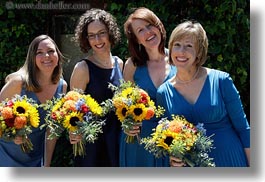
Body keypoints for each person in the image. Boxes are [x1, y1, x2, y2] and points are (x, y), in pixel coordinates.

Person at [156, 20, 250, 167]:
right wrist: (173, 159)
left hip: (230, 159)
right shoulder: (163, 92)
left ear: (199, 52)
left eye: (189, 46)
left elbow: (244, 129)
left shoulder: (221, 80)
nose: (181, 52)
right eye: (177, 45)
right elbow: (167, 138)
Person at [120, 7, 177, 167]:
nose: (148, 32)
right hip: (138, 143)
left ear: (158, 26)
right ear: (137, 39)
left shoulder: (178, 59)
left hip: (172, 141)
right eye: (140, 30)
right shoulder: (132, 65)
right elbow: (123, 104)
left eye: (150, 25)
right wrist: (127, 124)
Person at [0, 34, 68, 167]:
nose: (47, 56)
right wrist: (12, 135)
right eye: (39, 53)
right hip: (6, 156)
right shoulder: (18, 82)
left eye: (50, 51)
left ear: (58, 55)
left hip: (36, 157)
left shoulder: (62, 86)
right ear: (32, 58)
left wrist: (46, 165)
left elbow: (52, 131)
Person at [69, 8, 123, 167]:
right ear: (86, 39)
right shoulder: (83, 68)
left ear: (110, 32)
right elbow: (71, 108)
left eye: (102, 33)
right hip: (91, 145)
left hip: (116, 140)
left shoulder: (120, 64)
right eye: (91, 36)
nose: (97, 40)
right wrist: (73, 131)